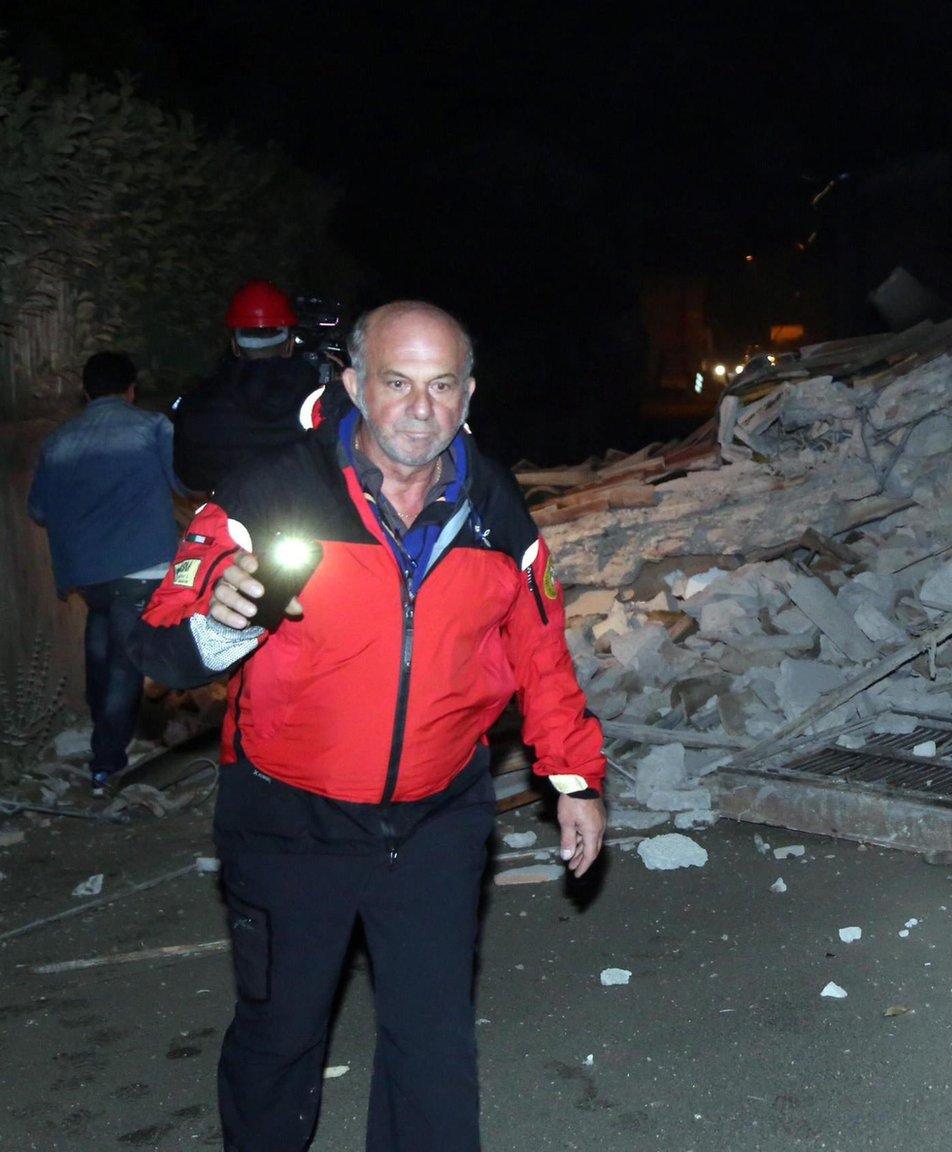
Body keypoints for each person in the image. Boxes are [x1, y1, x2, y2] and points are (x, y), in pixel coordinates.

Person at [132, 301, 608, 1151]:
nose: (419, 408)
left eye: (441, 385)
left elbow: (540, 653)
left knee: (433, 1045)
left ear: (467, 395)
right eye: (396, 382)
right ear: (353, 385)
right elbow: (161, 651)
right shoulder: (266, 494)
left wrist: (573, 777)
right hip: (287, 821)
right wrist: (225, 622)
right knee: (280, 1038)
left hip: (437, 820)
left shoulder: (498, 509)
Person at [27, 351, 186, 792]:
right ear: (130, 390)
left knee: (100, 648)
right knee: (124, 663)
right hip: (141, 566)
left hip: (87, 573)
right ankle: (107, 761)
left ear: (86, 391)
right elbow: (181, 482)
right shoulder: (152, 427)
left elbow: (38, 509)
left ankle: (106, 735)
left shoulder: (58, 442)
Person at [172, 280, 328, 492]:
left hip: (225, 519)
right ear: (290, 345)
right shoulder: (323, 403)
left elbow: (188, 479)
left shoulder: (193, 406)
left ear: (235, 346)